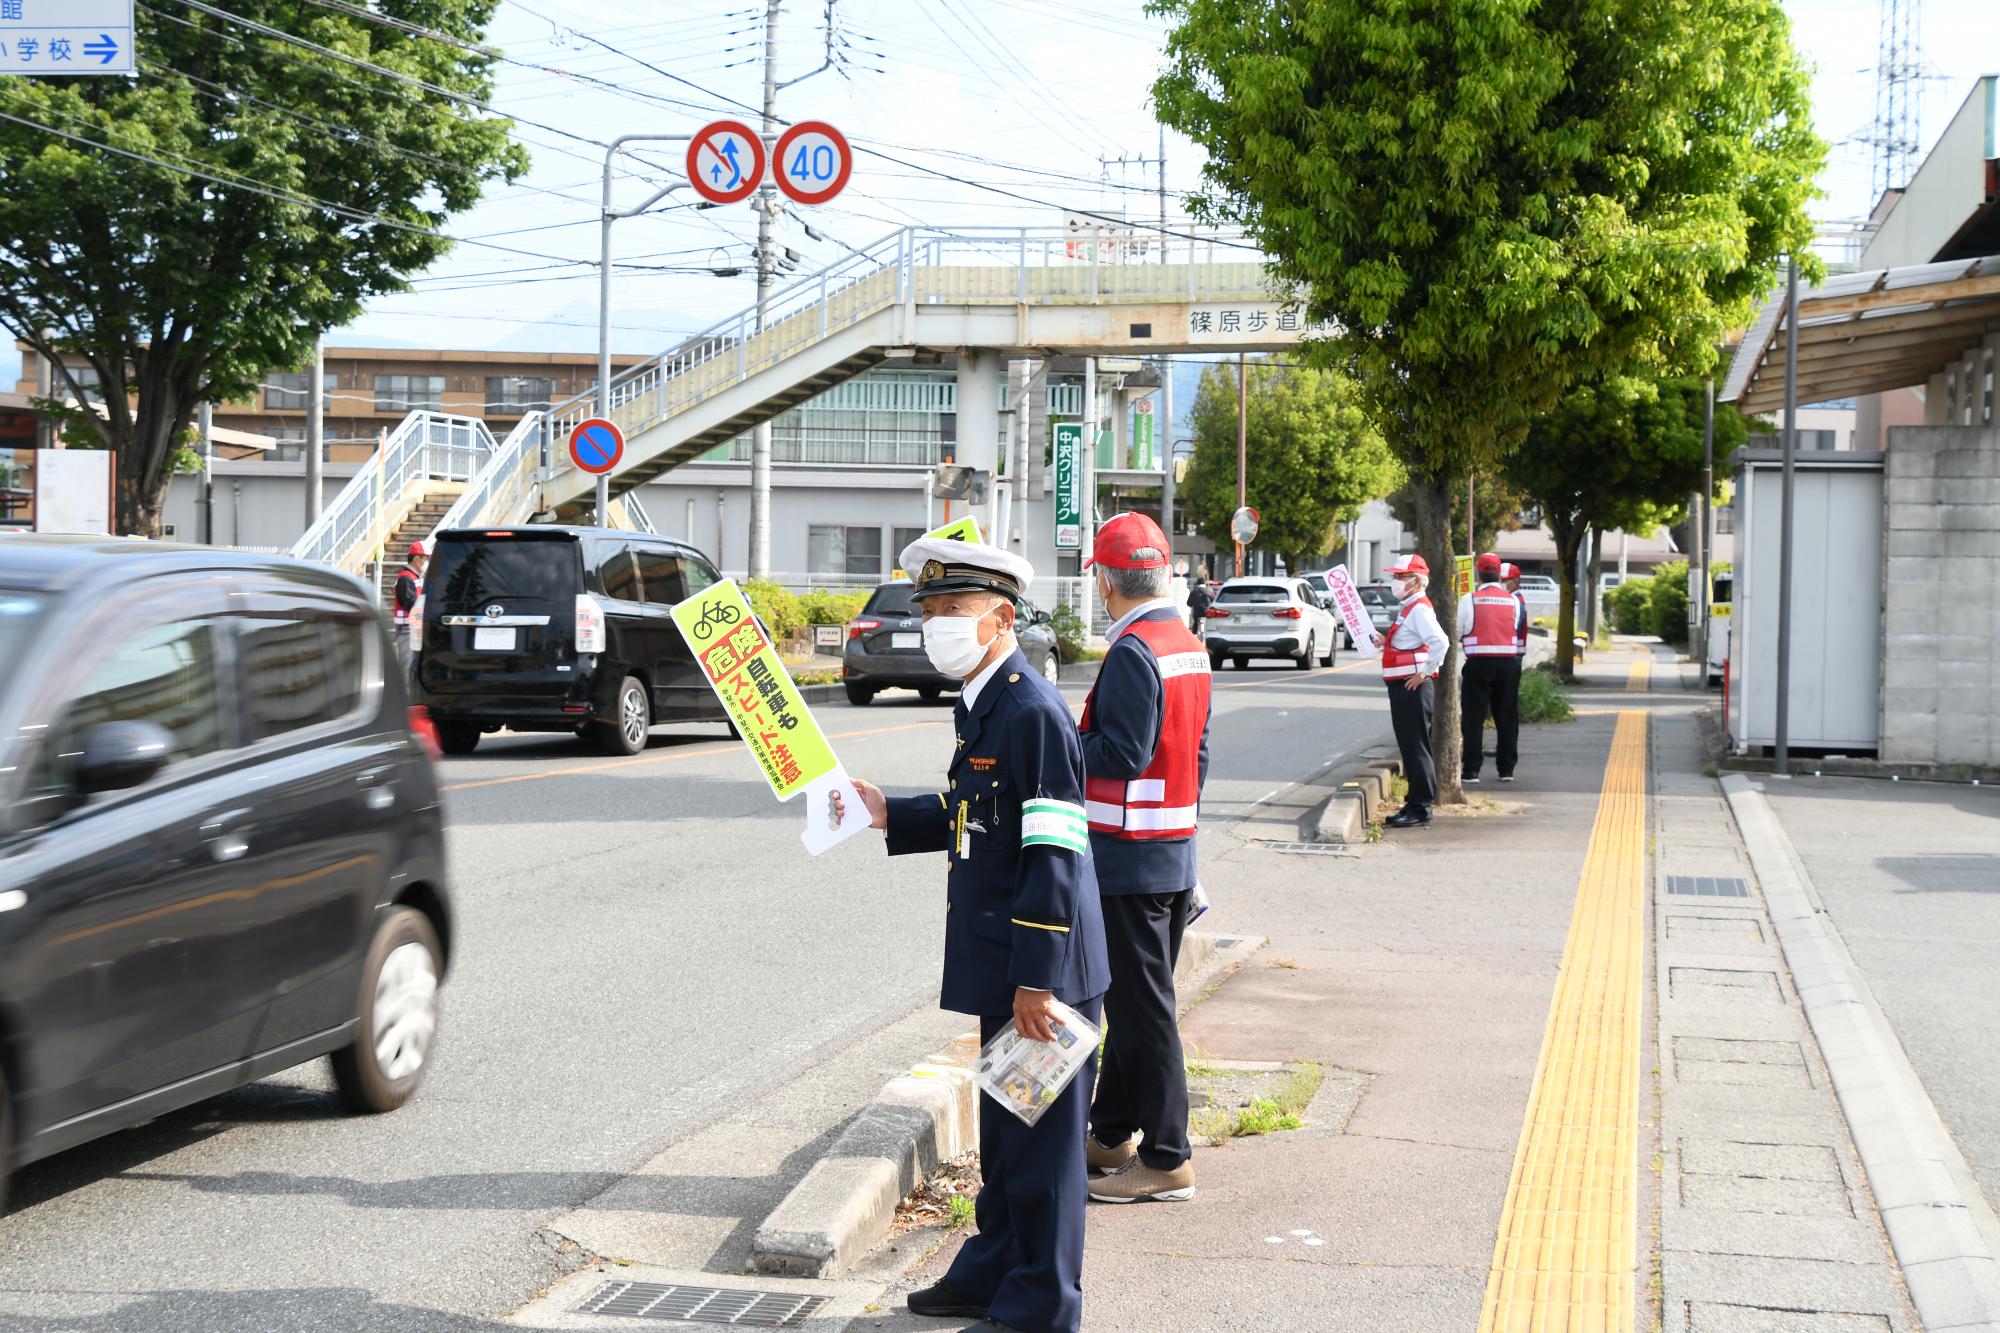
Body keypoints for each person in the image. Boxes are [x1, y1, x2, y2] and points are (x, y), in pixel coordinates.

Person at [845, 536, 1110, 1333]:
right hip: (1012, 963)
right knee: (1007, 1135)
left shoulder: (1030, 711)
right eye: (928, 612)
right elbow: (981, 818)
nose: (935, 626)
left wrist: (1037, 977)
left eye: (952, 611)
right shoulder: (987, 702)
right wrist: (895, 811)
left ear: (1000, 619)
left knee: (1046, 1151)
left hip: (1044, 972)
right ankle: (994, 1269)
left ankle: (1043, 1304)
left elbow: (1053, 847)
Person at [1075, 512, 1211, 1205]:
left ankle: (1167, 1156)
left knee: (1142, 1009)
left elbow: (1121, 753)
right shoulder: (1184, 642)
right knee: (1134, 1005)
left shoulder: (1132, 651)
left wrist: (1065, 742)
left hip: (1128, 855)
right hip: (1170, 850)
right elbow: (1197, 753)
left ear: (1105, 582)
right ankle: (1111, 1130)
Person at [1369, 554, 1449, 827]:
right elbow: (1408, 643)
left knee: (1416, 747)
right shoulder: (1410, 607)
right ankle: (1415, 803)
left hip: (1412, 687)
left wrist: (1424, 673)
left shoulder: (1419, 609)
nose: (1395, 582)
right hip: (1405, 685)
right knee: (1411, 746)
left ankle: (1421, 807)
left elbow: (1441, 642)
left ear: (1416, 582)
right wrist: (1384, 640)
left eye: (1400, 578)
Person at [1457, 552, 1520, 784]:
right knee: (1507, 717)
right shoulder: (1512, 600)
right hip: (1508, 665)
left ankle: (1472, 770)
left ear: (1479, 573)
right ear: (1499, 575)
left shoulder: (1469, 599)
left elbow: (1457, 632)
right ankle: (1506, 769)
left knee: (1473, 718)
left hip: (1478, 664)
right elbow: (1514, 626)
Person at [1502, 563, 1529, 782]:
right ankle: (1505, 761)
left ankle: (1507, 762)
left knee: (1507, 714)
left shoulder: (1516, 601)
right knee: (1506, 714)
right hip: (1510, 660)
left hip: (1511, 661)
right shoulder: (1512, 600)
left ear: (1515, 581)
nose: (1501, 585)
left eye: (1504, 581)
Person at [393, 539, 427, 670]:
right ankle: (404, 690)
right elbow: (410, 603)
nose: (426, 562)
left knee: (412, 666)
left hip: (412, 628)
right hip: (406, 629)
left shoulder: (414, 578)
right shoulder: (406, 579)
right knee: (406, 666)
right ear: (417, 559)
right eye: (426, 558)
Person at [1186, 572, 1213, 639]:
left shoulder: (1194, 592)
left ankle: (1193, 637)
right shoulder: (1209, 591)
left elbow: (1188, 603)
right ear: (1205, 583)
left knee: (1195, 625)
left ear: (1197, 583)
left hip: (1197, 613)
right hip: (1207, 613)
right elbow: (1213, 601)